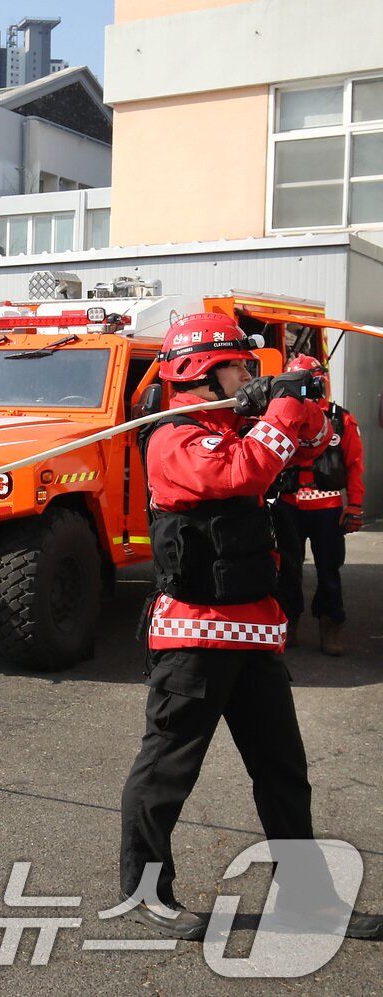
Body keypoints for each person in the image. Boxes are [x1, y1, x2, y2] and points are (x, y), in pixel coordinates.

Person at [118, 313, 381, 941]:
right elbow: (241, 473)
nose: (250, 375)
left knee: (283, 773)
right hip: (194, 638)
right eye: (241, 365)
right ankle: (146, 896)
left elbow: (314, 443)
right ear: (203, 371)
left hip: (252, 633)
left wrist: (301, 395)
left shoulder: (238, 426)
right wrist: (280, 409)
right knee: (166, 773)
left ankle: (310, 901)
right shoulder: (175, 438)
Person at [272, 354, 364, 656]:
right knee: (287, 570)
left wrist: (355, 507)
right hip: (288, 506)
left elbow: (354, 465)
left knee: (329, 572)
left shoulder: (341, 418)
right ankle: (289, 623)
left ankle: (331, 624)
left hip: (327, 509)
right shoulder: (280, 415)